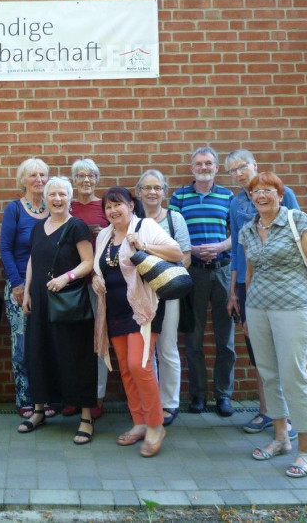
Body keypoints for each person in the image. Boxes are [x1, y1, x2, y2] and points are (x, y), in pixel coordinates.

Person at [239, 171, 307, 478]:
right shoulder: (248, 230)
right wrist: (247, 312)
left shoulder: (296, 220)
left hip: (294, 307)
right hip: (258, 307)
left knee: (293, 376)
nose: (261, 195)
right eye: (255, 192)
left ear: (279, 193)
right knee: (270, 375)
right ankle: (280, 438)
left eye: (267, 190)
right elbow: (249, 273)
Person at [93, 187, 183, 457]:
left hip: (143, 310)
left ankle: (156, 425)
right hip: (115, 311)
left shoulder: (146, 226)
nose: (112, 210)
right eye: (108, 206)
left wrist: (144, 246)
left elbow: (176, 252)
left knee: (139, 365)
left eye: (118, 204)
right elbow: (102, 268)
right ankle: (139, 422)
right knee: (127, 370)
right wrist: (97, 279)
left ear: (131, 205)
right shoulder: (104, 236)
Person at [224, 150, 300, 436]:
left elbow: (300, 236)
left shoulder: (284, 193)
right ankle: (266, 411)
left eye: (242, 166)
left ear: (255, 165)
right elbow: (235, 250)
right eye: (232, 171)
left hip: (282, 282)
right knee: (259, 351)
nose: (239, 173)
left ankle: (290, 415)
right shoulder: (235, 203)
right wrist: (233, 291)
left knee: (284, 348)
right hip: (247, 284)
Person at [18, 177, 96, 444]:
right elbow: (32, 260)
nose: (57, 199)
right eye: (52, 194)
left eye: (62, 194)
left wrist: (67, 277)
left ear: (69, 197)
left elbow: (88, 262)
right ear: (46, 198)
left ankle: (86, 418)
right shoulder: (38, 227)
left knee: (76, 355)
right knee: (38, 353)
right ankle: (39, 410)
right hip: (40, 300)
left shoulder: (77, 226)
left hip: (68, 302)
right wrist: (27, 291)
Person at [169, 146, 236, 417]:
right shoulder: (179, 196)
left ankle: (223, 396)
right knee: (193, 339)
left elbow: (240, 234)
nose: (204, 167)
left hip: (222, 270)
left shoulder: (228, 196)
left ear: (216, 167)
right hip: (192, 271)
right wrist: (192, 250)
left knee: (225, 340)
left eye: (209, 163)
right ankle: (197, 396)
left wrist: (221, 246)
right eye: (199, 163)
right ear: (192, 168)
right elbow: (169, 232)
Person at [136, 170, 191, 427]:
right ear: (139, 192)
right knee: (146, 349)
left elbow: (185, 256)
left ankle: (170, 403)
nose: (152, 192)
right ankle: (152, 401)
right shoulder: (133, 220)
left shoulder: (174, 218)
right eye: (147, 188)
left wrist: (160, 277)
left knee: (167, 347)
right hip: (139, 295)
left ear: (164, 191)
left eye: (157, 188)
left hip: (167, 292)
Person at [0, 157, 52, 419]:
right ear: (23, 180)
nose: (39, 180)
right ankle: (25, 398)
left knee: (47, 343)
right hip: (20, 286)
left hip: (50, 287)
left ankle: (47, 397)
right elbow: (5, 249)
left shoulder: (54, 207)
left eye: (43, 175)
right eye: (33, 175)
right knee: (21, 346)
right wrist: (18, 285)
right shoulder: (14, 209)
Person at [63, 158, 109, 420]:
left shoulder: (104, 206)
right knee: (73, 343)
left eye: (91, 175)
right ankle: (73, 397)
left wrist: (102, 231)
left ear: (97, 179)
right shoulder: (65, 206)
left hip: (98, 282)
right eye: (80, 175)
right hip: (71, 283)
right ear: (73, 180)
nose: (86, 180)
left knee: (98, 341)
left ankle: (97, 397)